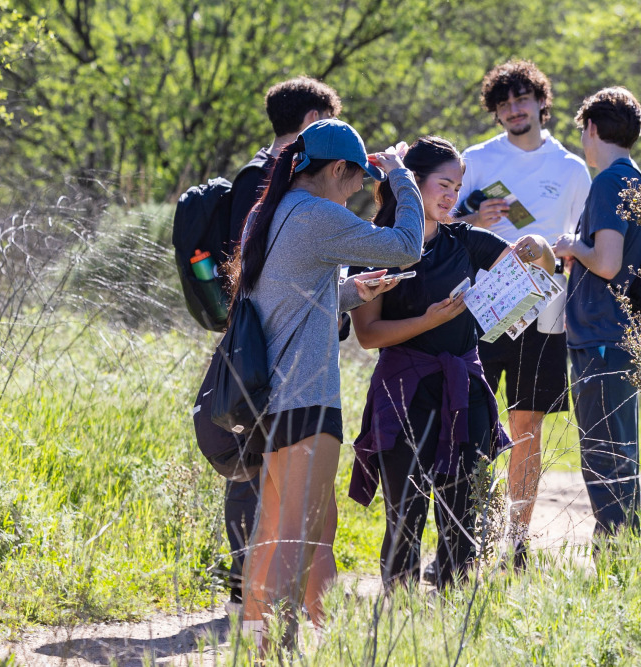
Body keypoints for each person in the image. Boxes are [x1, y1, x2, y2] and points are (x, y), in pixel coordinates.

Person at [230, 119, 424, 650]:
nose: (360, 189)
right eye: (358, 179)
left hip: (266, 399)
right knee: (298, 530)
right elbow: (407, 246)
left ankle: (255, 641)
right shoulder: (317, 214)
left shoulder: (267, 216)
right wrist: (401, 178)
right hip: (306, 398)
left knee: (272, 529)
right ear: (337, 169)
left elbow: (286, 301)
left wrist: (349, 291)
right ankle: (282, 646)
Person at [347, 136, 556, 588]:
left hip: (465, 391)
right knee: (405, 514)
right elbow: (367, 335)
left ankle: (453, 607)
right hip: (404, 391)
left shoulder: (466, 241)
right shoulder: (375, 247)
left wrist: (537, 244)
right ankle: (398, 615)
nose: (452, 196)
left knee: (463, 517)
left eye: (457, 187)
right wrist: (427, 320)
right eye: (443, 184)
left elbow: (538, 273)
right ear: (411, 182)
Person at [453, 60, 591, 568]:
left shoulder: (571, 170)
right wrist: (472, 216)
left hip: (544, 315)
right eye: (503, 103)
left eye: (522, 100)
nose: (513, 110)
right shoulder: (477, 160)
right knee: (474, 424)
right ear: (496, 111)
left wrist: (555, 254)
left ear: (540, 102)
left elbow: (583, 245)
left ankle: (517, 541)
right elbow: (441, 223)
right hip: (483, 312)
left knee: (526, 427)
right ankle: (466, 538)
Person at [221, 76, 342, 617]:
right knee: (274, 501)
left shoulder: (265, 178)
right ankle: (266, 619)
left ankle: (273, 617)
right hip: (272, 360)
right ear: (311, 120)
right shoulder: (271, 183)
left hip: (263, 349)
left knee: (287, 502)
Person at [553, 86, 641, 540]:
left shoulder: (610, 181)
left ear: (591, 127)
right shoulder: (636, 177)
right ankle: (624, 551)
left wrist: (573, 246)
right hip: (618, 334)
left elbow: (608, 262)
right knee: (619, 450)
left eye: (583, 134)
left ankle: (615, 554)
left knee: (604, 452)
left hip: (603, 337)